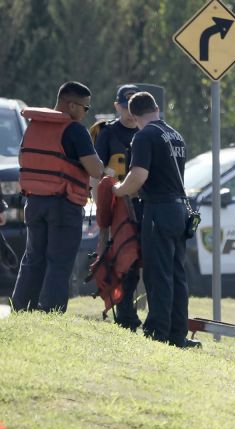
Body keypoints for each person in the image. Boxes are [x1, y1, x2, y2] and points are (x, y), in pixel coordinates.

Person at [112, 92, 200, 348]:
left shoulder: (144, 136)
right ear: (157, 108)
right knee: (177, 274)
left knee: (158, 274)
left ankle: (157, 331)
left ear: (132, 115)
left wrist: (119, 190)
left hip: (158, 210)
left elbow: (138, 175)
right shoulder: (175, 134)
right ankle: (177, 332)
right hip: (180, 210)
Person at [12, 81, 104, 312]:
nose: (85, 113)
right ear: (72, 106)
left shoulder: (34, 126)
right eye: (86, 108)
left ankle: (22, 308)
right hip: (64, 204)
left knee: (33, 258)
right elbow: (95, 170)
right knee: (59, 261)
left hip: (33, 201)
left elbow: (24, 160)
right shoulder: (74, 130)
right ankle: (51, 310)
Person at [93, 84, 143, 331]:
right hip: (117, 204)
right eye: (125, 106)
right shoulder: (108, 133)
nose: (129, 112)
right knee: (123, 258)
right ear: (117, 106)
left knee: (140, 260)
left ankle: (129, 311)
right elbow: (98, 175)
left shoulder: (147, 131)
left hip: (142, 203)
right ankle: (125, 312)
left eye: (133, 106)